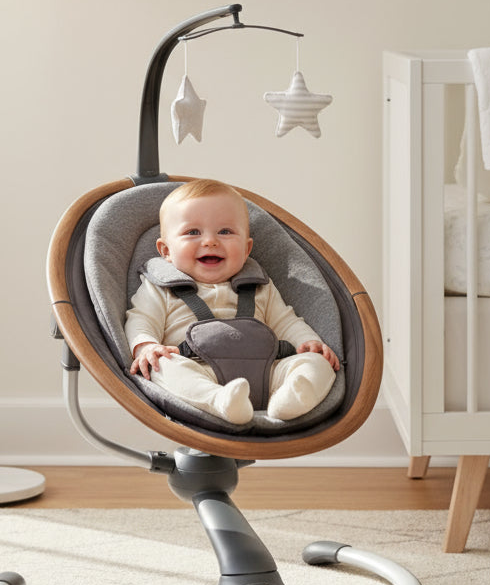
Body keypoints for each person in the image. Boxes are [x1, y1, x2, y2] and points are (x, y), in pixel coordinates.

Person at [125, 178, 339, 425]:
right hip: (197, 370)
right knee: (162, 367)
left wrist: (308, 342)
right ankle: (220, 401)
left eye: (225, 232)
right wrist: (146, 346)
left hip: (267, 373)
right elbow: (140, 319)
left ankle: (291, 399)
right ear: (166, 251)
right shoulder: (160, 287)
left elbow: (286, 320)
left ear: (247, 249)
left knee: (318, 363)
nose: (210, 241)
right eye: (193, 232)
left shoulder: (259, 285)